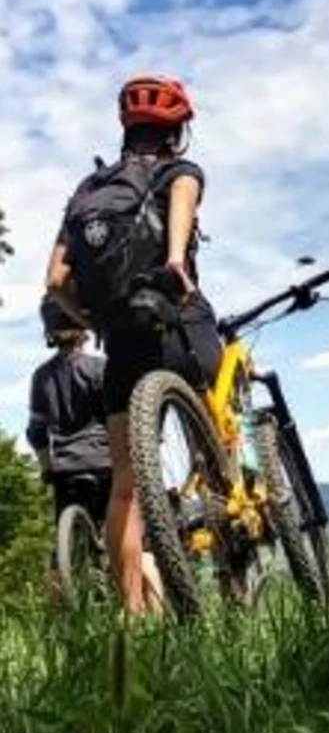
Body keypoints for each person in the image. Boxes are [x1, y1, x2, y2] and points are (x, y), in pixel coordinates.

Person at [44, 74, 223, 615]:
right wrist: (175, 260)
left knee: (124, 484)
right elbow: (181, 213)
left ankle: (132, 616)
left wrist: (93, 318)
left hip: (121, 344)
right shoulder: (178, 171)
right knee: (217, 449)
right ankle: (233, 551)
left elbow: (55, 282)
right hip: (179, 324)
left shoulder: (87, 192)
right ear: (177, 133)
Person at [27, 295, 111, 575]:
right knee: (133, 537)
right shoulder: (100, 368)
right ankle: (143, 599)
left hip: (66, 471)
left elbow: (36, 432)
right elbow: (116, 420)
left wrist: (46, 469)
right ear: (82, 328)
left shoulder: (41, 376)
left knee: (65, 551)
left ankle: (62, 598)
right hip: (105, 464)